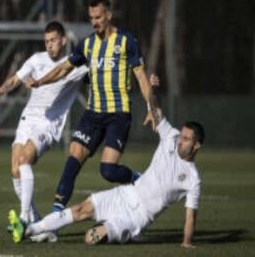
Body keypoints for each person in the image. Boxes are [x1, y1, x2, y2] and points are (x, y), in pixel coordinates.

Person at [12, 87, 205, 247]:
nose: (181, 141)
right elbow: (155, 109)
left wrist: (186, 242)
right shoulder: (171, 136)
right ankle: (28, 230)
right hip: (126, 194)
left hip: (137, 217)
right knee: (80, 209)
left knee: (90, 238)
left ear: (196, 145)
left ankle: (118, 231)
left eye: (187, 139)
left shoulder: (193, 179)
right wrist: (153, 89)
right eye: (182, 136)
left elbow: (191, 217)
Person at [27, 0, 158, 222]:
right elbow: (63, 68)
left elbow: (140, 76)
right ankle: (57, 214)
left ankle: (140, 179)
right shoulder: (87, 44)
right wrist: (40, 81)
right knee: (74, 156)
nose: (94, 22)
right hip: (93, 114)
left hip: (118, 114)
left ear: (108, 15)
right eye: (91, 18)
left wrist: (151, 106)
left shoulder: (127, 41)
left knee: (107, 170)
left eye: (98, 17)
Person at [0, 21, 88, 242]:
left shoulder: (75, 65)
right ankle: (42, 227)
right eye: (46, 41)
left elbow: (100, 73)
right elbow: (17, 78)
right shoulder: (36, 59)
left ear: (63, 40)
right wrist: (2, 89)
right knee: (15, 169)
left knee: (25, 159)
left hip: (48, 125)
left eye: (53, 40)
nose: (50, 45)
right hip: (27, 120)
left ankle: (24, 218)